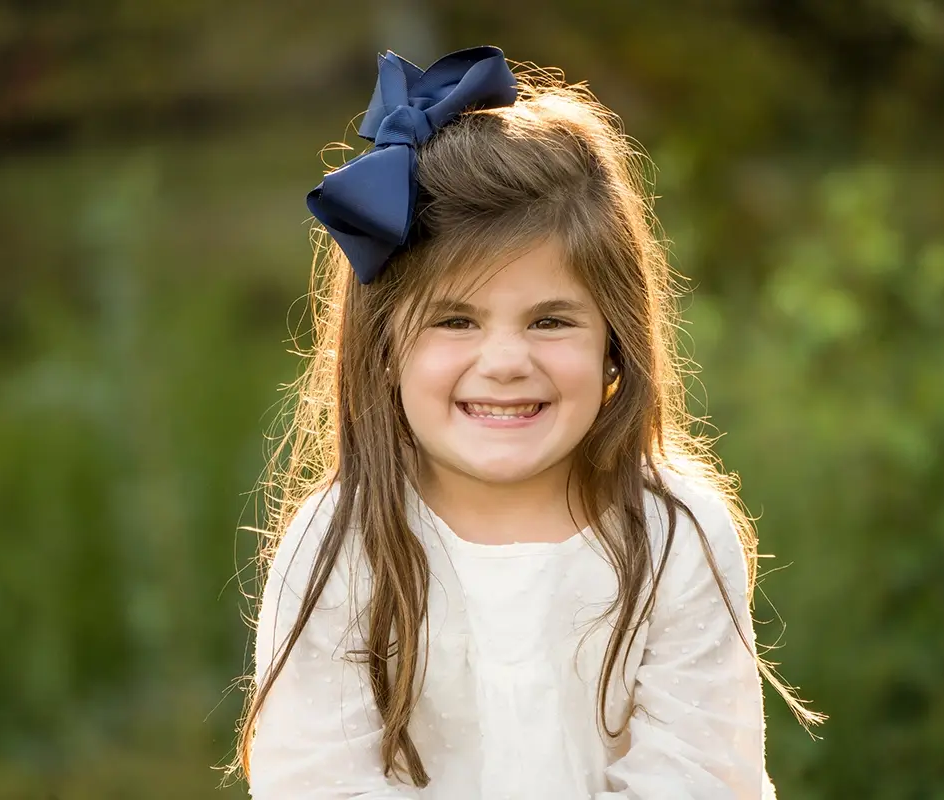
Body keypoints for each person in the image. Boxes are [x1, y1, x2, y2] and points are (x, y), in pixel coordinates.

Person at [235, 45, 820, 799]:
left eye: (550, 320)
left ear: (615, 341)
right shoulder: (340, 545)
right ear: (383, 347)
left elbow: (699, 776)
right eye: (455, 321)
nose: (506, 362)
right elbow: (317, 780)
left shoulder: (674, 533)